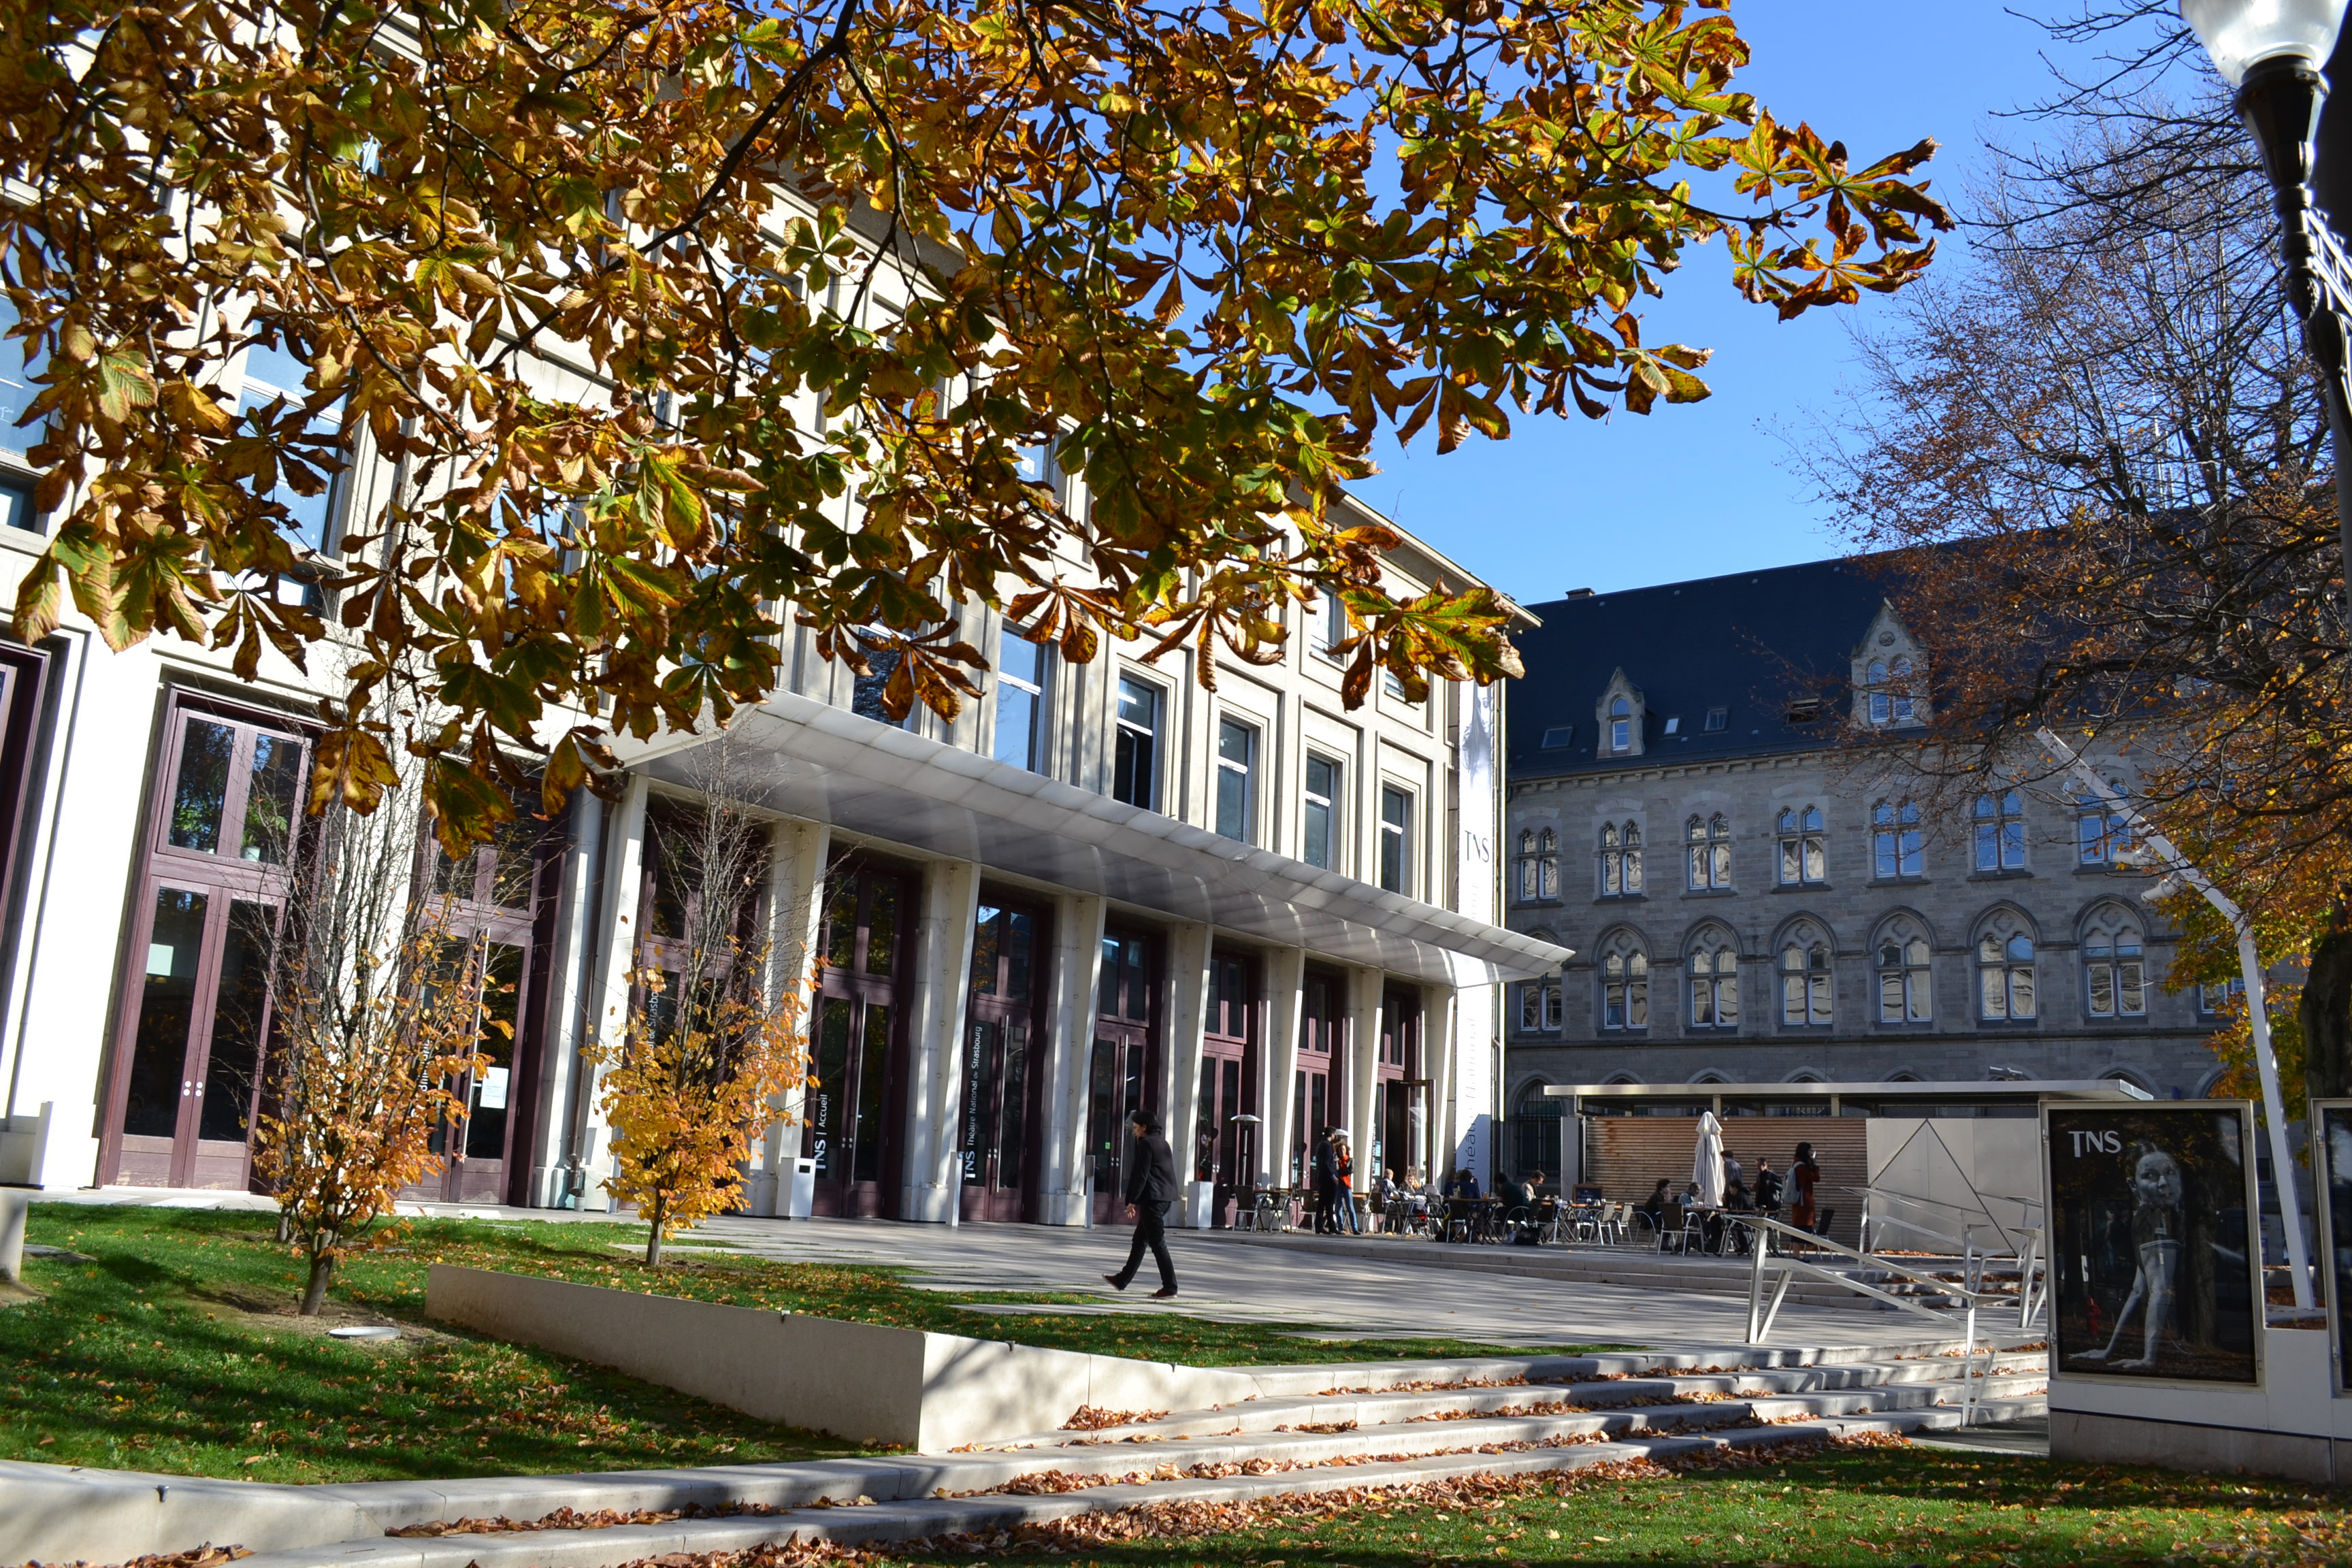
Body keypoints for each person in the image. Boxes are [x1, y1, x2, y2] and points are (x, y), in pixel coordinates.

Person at [1102, 1110, 1179, 1298]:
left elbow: (1141, 1175)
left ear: (1145, 1127)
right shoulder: (1163, 1143)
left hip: (1153, 1200)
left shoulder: (1146, 1144)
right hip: (1164, 1198)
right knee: (1139, 1241)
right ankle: (1122, 1280)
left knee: (1157, 1243)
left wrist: (1132, 1201)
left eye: (1137, 1128)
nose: (1135, 1132)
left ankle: (1170, 1287)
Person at [1330, 1130, 1362, 1233]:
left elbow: (1350, 1171)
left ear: (1346, 1150)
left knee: (1350, 1207)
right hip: (1338, 1185)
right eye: (1340, 1150)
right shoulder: (1336, 1161)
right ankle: (1340, 1227)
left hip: (1347, 1185)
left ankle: (1355, 1228)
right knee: (1338, 1207)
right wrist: (1340, 1170)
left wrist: (1341, 1172)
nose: (1342, 1152)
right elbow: (1336, 1171)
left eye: (1343, 1150)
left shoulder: (1350, 1160)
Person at [1789, 1141, 1822, 1237]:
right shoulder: (1802, 1167)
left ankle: (1797, 1251)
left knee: (1799, 1228)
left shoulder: (1796, 1163)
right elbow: (1816, 1178)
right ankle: (1798, 1251)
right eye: (1810, 1150)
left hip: (1799, 1200)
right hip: (1804, 1202)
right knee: (1801, 1231)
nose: (1811, 1153)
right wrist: (1815, 1166)